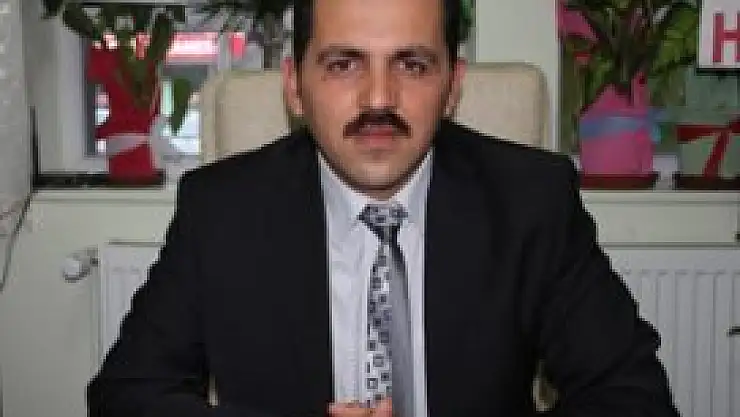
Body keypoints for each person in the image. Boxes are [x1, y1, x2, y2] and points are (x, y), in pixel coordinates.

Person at [86, 0, 680, 416]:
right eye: (343, 64)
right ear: (294, 87)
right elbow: (127, 395)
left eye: (412, 64)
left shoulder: (531, 203)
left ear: (453, 85)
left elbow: (632, 397)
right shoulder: (221, 212)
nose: (378, 98)